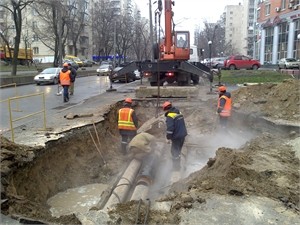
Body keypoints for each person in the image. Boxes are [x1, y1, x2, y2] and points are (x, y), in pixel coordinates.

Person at [163, 101, 187, 170]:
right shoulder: (179, 113)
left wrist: (168, 137)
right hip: (183, 134)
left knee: (174, 152)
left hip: (176, 136)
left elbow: (170, 128)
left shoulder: (170, 116)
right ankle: (178, 165)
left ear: (166, 109)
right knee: (178, 150)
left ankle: (176, 168)